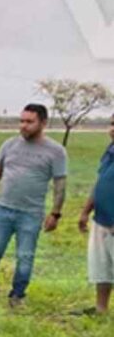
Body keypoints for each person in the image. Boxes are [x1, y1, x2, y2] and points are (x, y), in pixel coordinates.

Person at [0, 103, 67, 309]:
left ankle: (17, 296)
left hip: (31, 213)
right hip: (2, 209)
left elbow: (60, 185)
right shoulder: (9, 145)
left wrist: (55, 213)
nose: (23, 126)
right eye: (21, 121)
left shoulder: (56, 151)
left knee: (25, 257)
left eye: (29, 122)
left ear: (43, 123)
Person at [77, 115, 114, 314]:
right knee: (102, 267)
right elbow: (100, 182)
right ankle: (101, 309)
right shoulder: (110, 150)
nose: (113, 129)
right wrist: (85, 211)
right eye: (112, 124)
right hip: (101, 219)